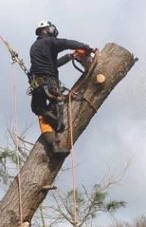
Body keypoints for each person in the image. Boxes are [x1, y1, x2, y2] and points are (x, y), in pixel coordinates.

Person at [29, 20, 92, 154]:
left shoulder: (36, 46)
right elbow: (66, 43)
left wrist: (70, 56)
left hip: (37, 85)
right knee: (57, 113)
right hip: (49, 82)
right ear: (46, 30)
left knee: (40, 112)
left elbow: (53, 64)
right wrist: (87, 47)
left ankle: (54, 146)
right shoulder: (48, 41)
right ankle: (57, 122)